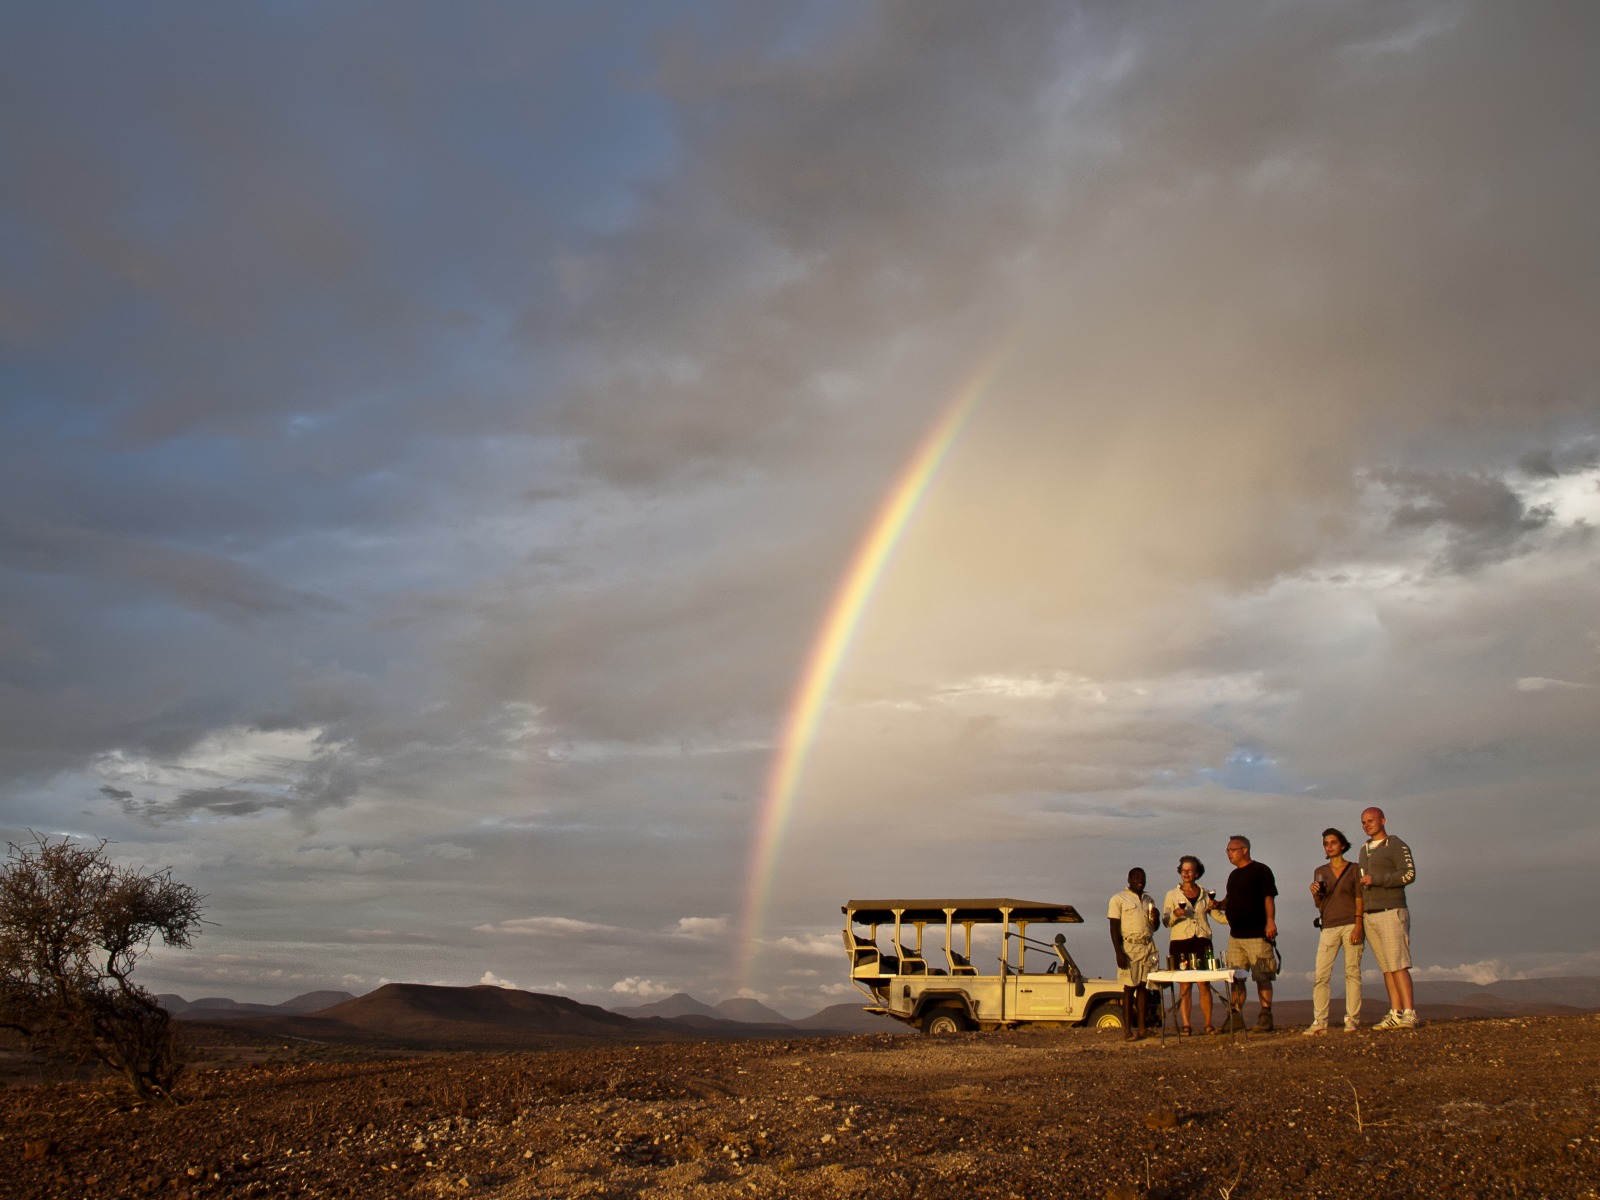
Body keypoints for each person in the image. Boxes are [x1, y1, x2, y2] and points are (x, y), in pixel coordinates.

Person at [1208, 834, 1278, 1031]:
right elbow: (1230, 900)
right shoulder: (1234, 875)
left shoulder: (1260, 871)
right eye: (1227, 851)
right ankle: (1235, 1016)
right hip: (1236, 935)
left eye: (1232, 850)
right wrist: (1218, 904)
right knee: (1236, 977)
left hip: (1257, 933)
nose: (1229, 854)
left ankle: (1266, 1015)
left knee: (1262, 975)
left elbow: (1268, 898)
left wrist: (1270, 922)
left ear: (1244, 850)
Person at [1359, 806, 1419, 1030]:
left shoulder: (1395, 845)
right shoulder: (1364, 850)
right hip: (1370, 913)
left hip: (1391, 910)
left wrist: (1378, 879)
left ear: (1383, 821)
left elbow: (1409, 874)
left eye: (1371, 820)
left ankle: (1410, 1012)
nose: (1367, 825)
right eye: (1363, 822)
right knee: (1386, 966)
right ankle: (1396, 1011)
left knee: (1398, 964)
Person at [1305, 827, 1364, 1034]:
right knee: (1321, 974)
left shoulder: (1355, 869)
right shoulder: (1320, 872)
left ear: (1343, 845)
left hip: (1350, 923)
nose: (1329, 846)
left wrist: (1359, 925)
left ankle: (1352, 1019)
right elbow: (1320, 904)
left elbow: (1359, 897)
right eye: (1326, 844)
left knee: (1352, 972)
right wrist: (1314, 894)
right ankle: (1319, 1021)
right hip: (1328, 924)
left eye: (1332, 843)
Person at [1161, 855, 1215, 1035]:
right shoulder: (1172, 895)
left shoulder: (1206, 893)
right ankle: (1186, 1025)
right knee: (1184, 984)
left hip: (1202, 940)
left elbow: (1215, 915)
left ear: (1197, 872)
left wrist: (1226, 911)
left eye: (1190, 870)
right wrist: (1176, 914)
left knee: (1204, 983)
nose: (1186, 873)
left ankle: (1208, 1024)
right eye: (1183, 870)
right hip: (1180, 942)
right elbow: (1166, 921)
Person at [1108, 867, 1159, 1040]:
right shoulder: (1118, 899)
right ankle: (1127, 1030)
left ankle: (1142, 1029)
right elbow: (1114, 927)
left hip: (1147, 945)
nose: (1140, 880)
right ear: (1128, 879)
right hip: (1129, 947)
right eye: (1136, 877)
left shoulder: (1148, 899)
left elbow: (1154, 927)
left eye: (1143, 877)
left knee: (1143, 987)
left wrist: (1156, 917)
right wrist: (1118, 952)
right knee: (1129, 988)